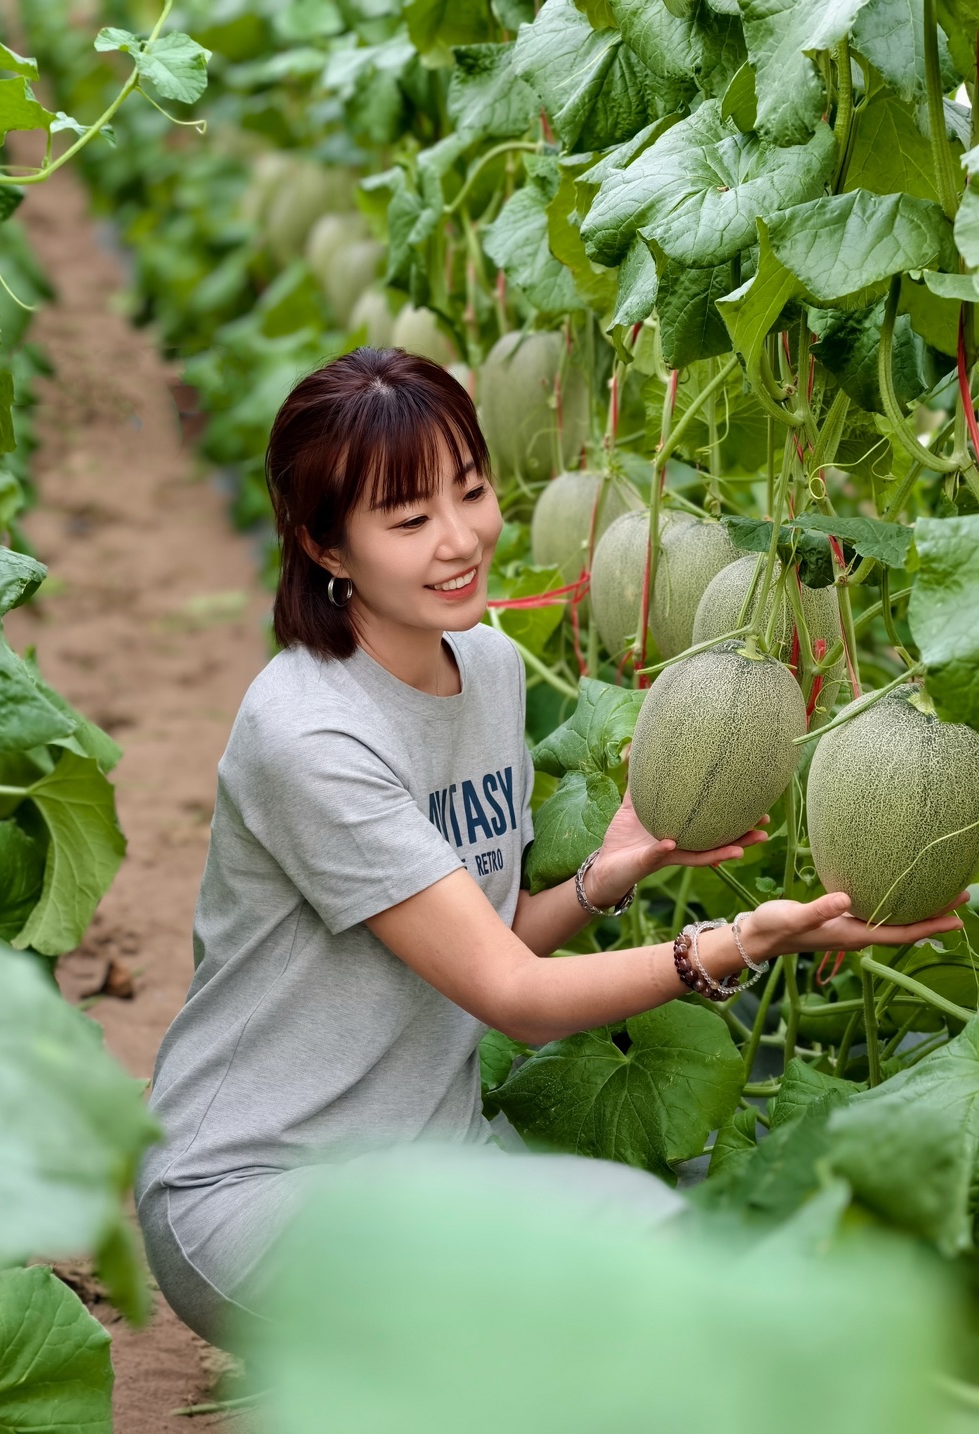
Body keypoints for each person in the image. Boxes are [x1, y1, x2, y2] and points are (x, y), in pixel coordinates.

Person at [135, 346, 965, 1351]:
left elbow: (486, 936)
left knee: (652, 1250)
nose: (458, 540)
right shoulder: (309, 735)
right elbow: (512, 998)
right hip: (261, 1191)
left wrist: (602, 878)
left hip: (431, 1164)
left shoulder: (483, 668)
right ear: (326, 548)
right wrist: (735, 945)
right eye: (407, 520)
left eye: (470, 491)